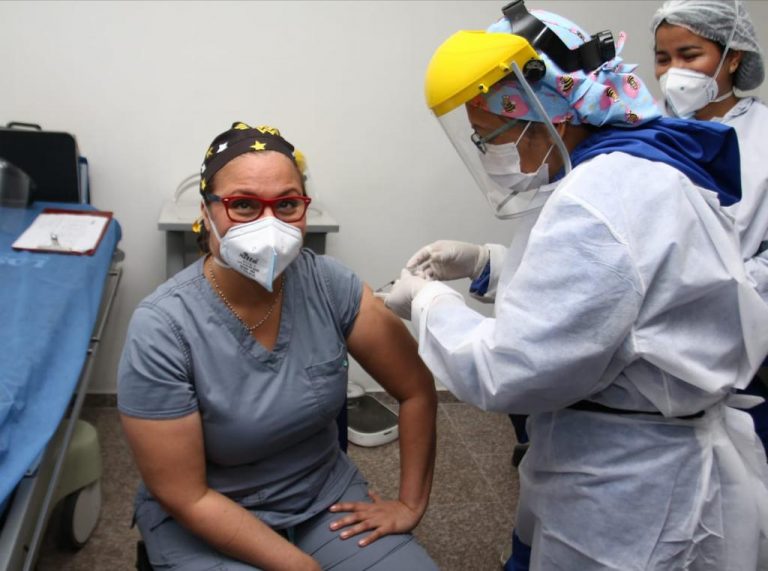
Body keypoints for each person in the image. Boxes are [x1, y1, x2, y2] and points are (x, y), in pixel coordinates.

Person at [381, 1, 768, 569]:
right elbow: (618, 293)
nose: (489, 155)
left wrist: (429, 301)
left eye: (490, 137)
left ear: (549, 114)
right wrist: (483, 261)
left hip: (630, 488)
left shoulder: (597, 200)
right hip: (635, 443)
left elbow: (508, 370)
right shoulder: (630, 164)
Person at [117, 122, 439, 570]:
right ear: (206, 212)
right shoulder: (163, 327)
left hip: (324, 497)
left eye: (287, 204)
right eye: (243, 205)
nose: (269, 225)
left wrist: (409, 504)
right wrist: (301, 566)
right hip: (205, 514)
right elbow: (185, 493)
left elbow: (416, 389)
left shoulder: (331, 287)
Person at [652, 0, 768, 457]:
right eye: (663, 58)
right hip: (657, 322)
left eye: (689, 54)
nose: (673, 71)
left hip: (739, 323)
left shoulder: (763, 136)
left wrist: (726, 287)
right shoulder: (650, 130)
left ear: (733, 57)